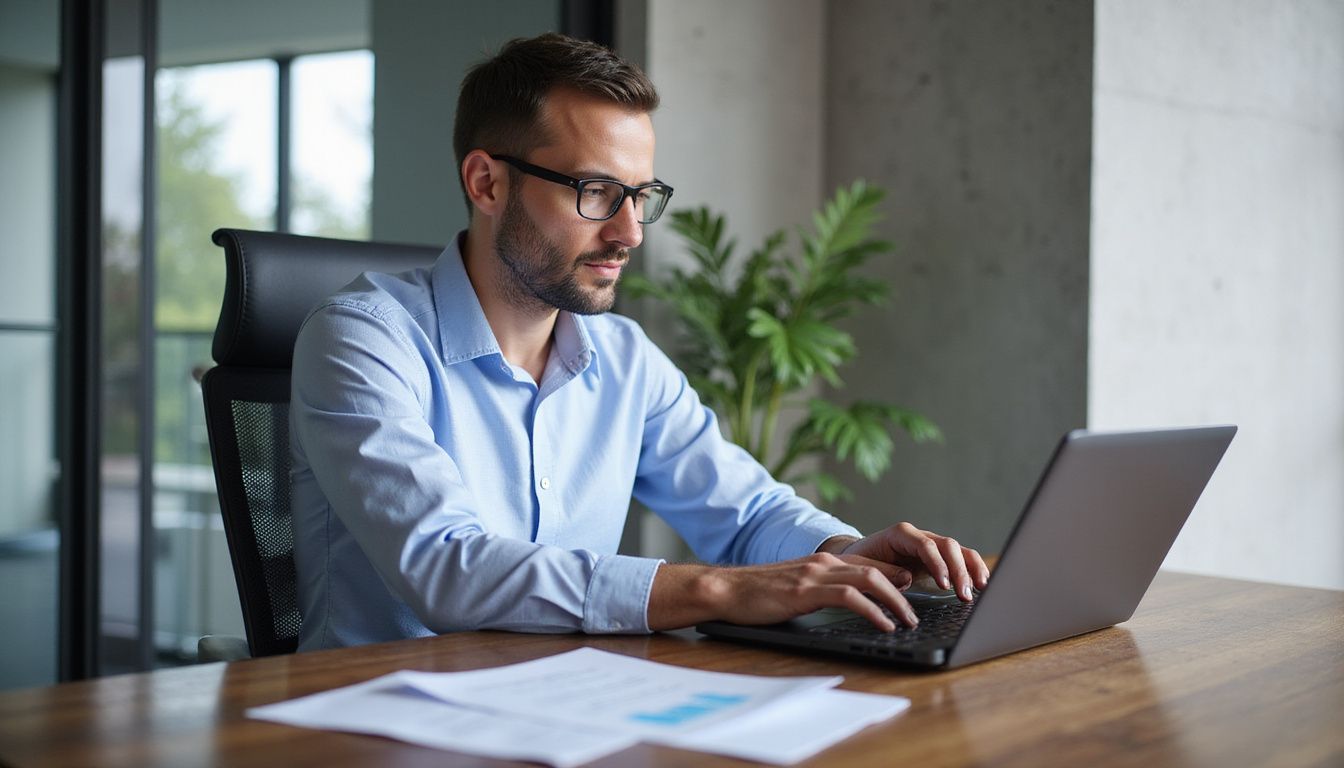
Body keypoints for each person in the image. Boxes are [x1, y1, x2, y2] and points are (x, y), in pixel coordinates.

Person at [289, 32, 989, 651]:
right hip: (377, 724)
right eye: (595, 192)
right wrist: (718, 592)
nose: (629, 233)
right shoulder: (361, 340)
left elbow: (745, 512)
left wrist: (844, 552)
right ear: (487, 182)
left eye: (641, 195)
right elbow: (448, 568)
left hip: (564, 711)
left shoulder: (622, 358)